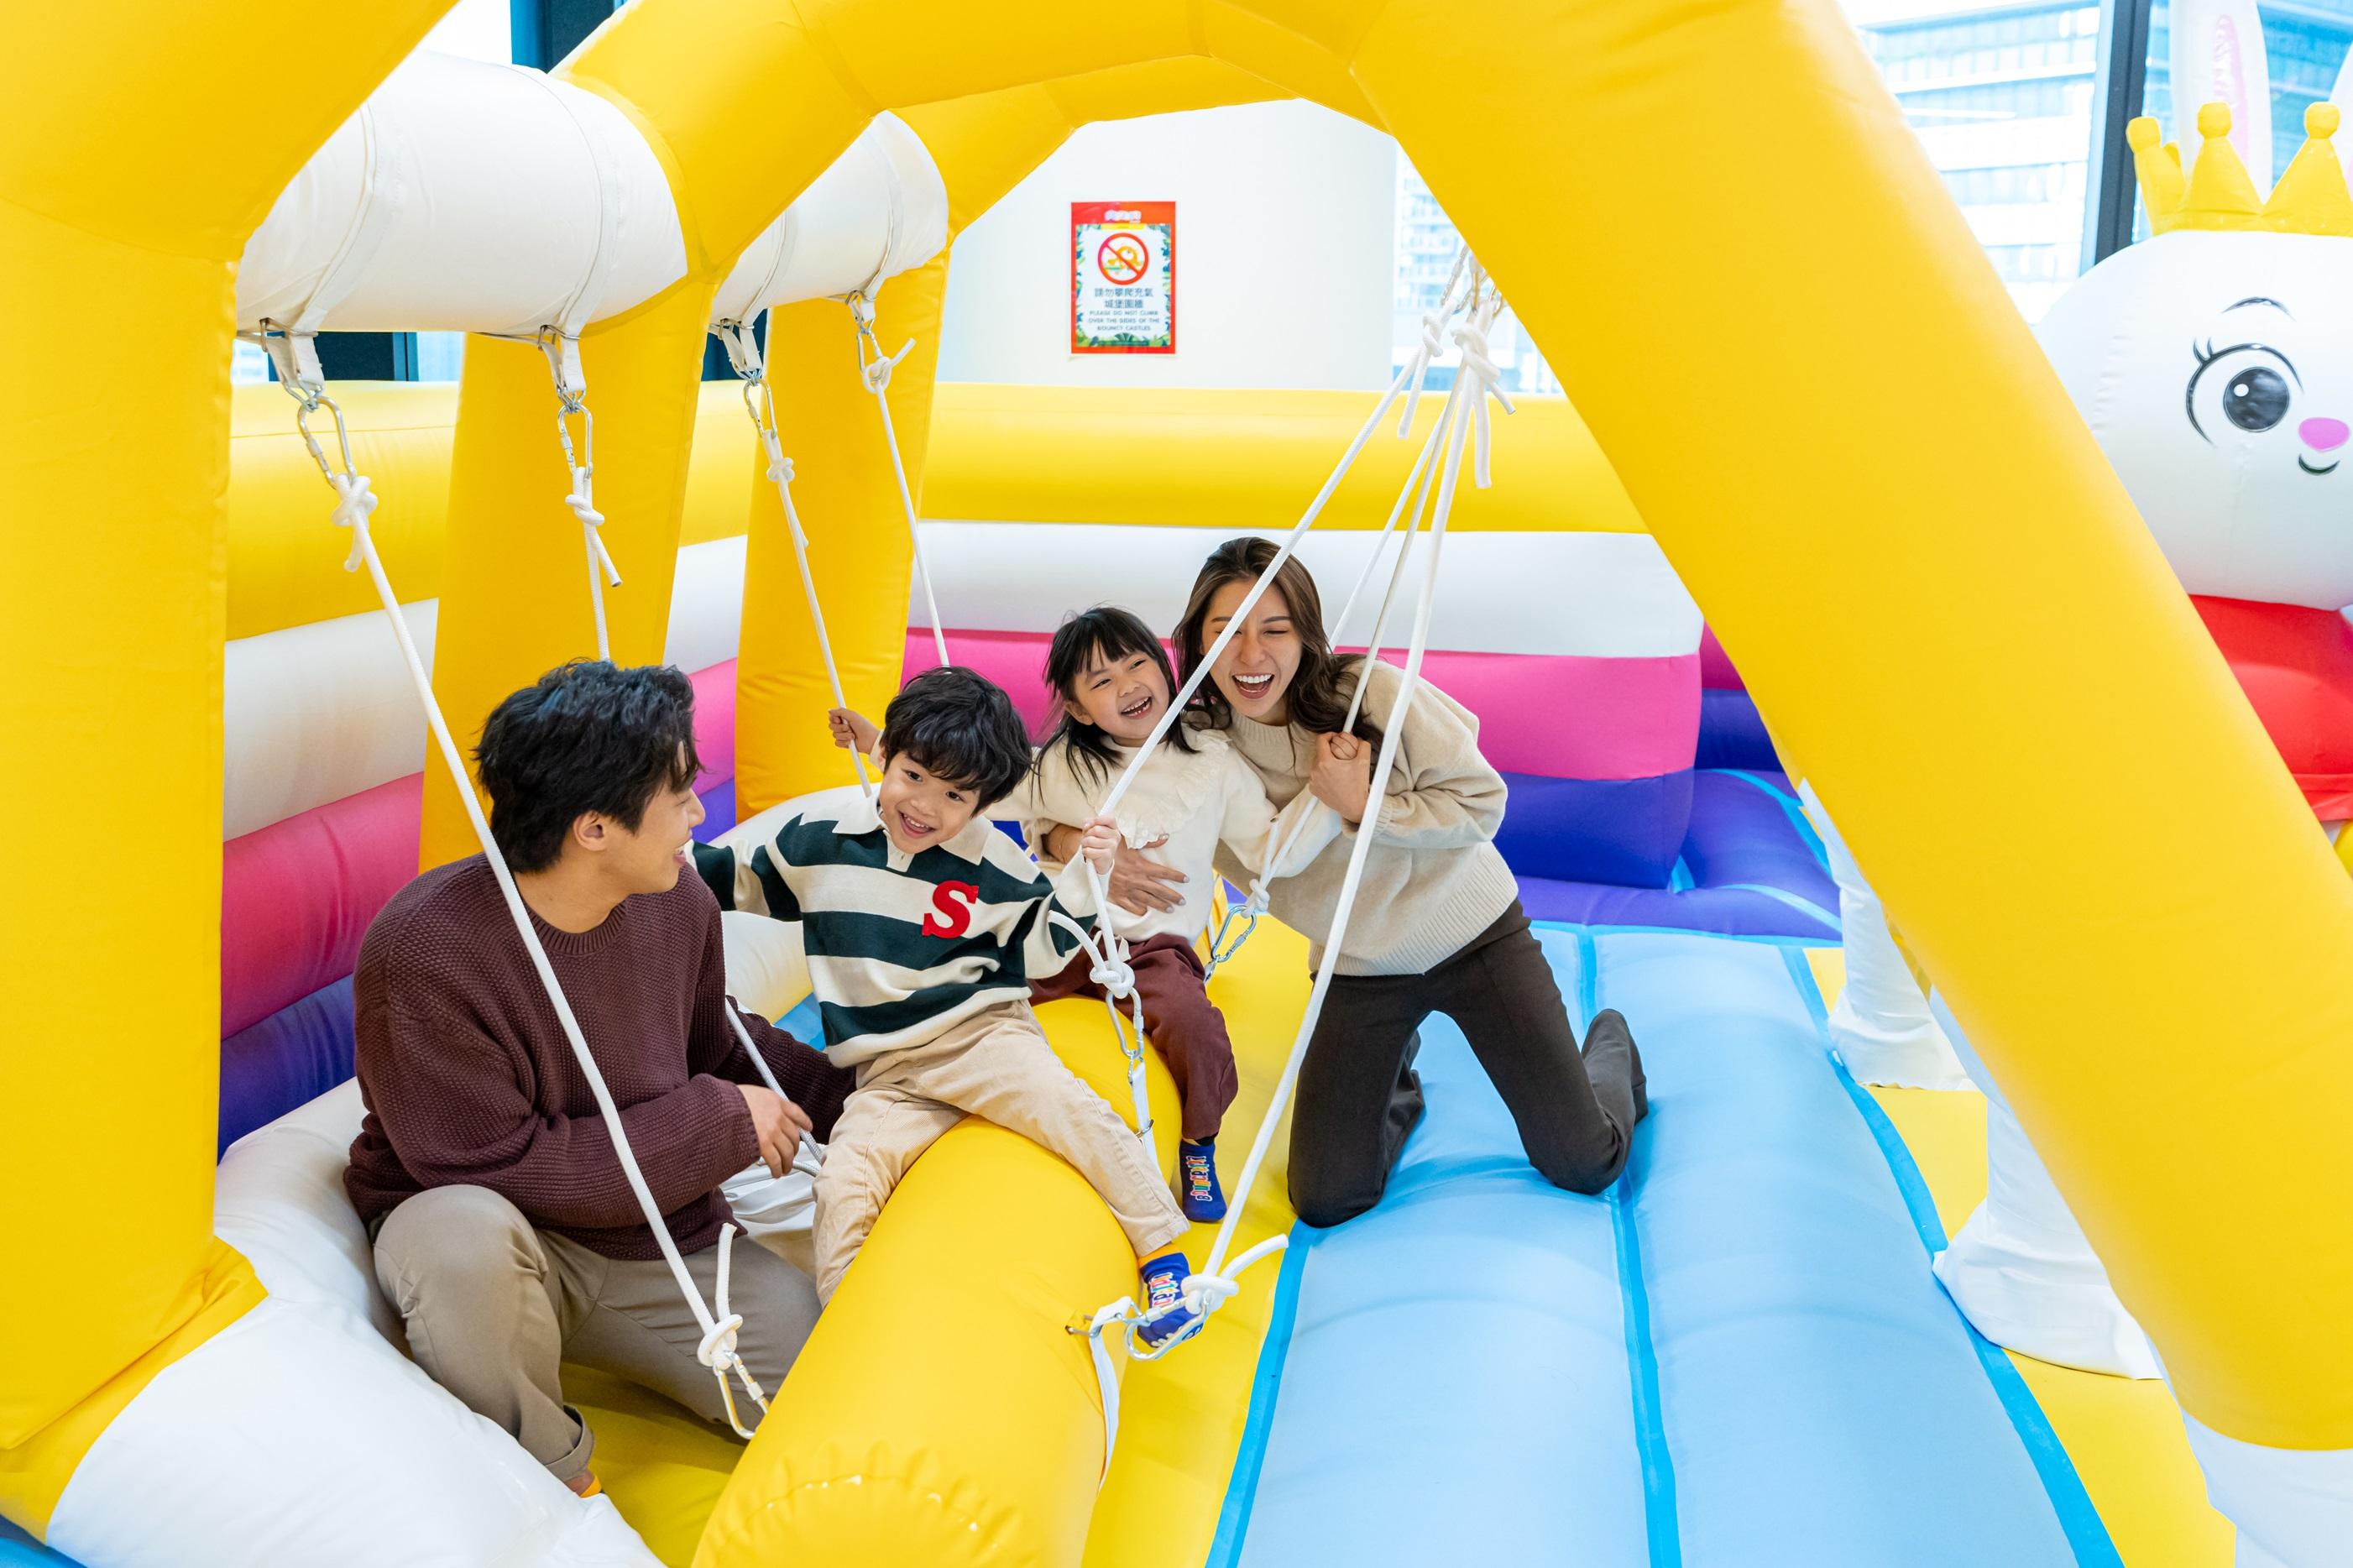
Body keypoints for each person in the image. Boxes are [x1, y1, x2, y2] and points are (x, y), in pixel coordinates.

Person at [344, 661, 854, 1498]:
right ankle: (550, 1489)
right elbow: (492, 1166)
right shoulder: (423, 951)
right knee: (457, 1238)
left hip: (654, 1233)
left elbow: (717, 1043)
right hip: (512, 1240)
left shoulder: (678, 900)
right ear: (593, 829)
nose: (698, 812)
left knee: (830, 1389)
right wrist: (720, 1121)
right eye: (680, 794)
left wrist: (870, 1095)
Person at [1057, 538, 1650, 1226]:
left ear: (1306, 633)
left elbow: (1481, 804)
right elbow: (1054, 793)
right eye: (1228, 630)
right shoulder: (1188, 743)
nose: (1250, 655)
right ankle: (1395, 1082)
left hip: (1475, 938)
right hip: (1359, 968)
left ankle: (1611, 1045)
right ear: (1196, 640)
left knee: (1583, 1162)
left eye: (1274, 630)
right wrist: (1079, 845)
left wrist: (1364, 805)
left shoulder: (1371, 694)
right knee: (1326, 1199)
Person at [698, 665, 1199, 1342]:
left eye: (955, 794)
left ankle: (1164, 1258)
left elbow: (1046, 950)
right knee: (842, 1185)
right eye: (912, 776)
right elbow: (733, 881)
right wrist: (661, 851)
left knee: (1072, 1111)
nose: (925, 806)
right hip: (887, 1073)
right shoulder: (821, 841)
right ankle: (855, 1333)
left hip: (980, 1039)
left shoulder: (992, 863)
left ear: (982, 802)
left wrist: (1088, 876)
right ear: (885, 756)